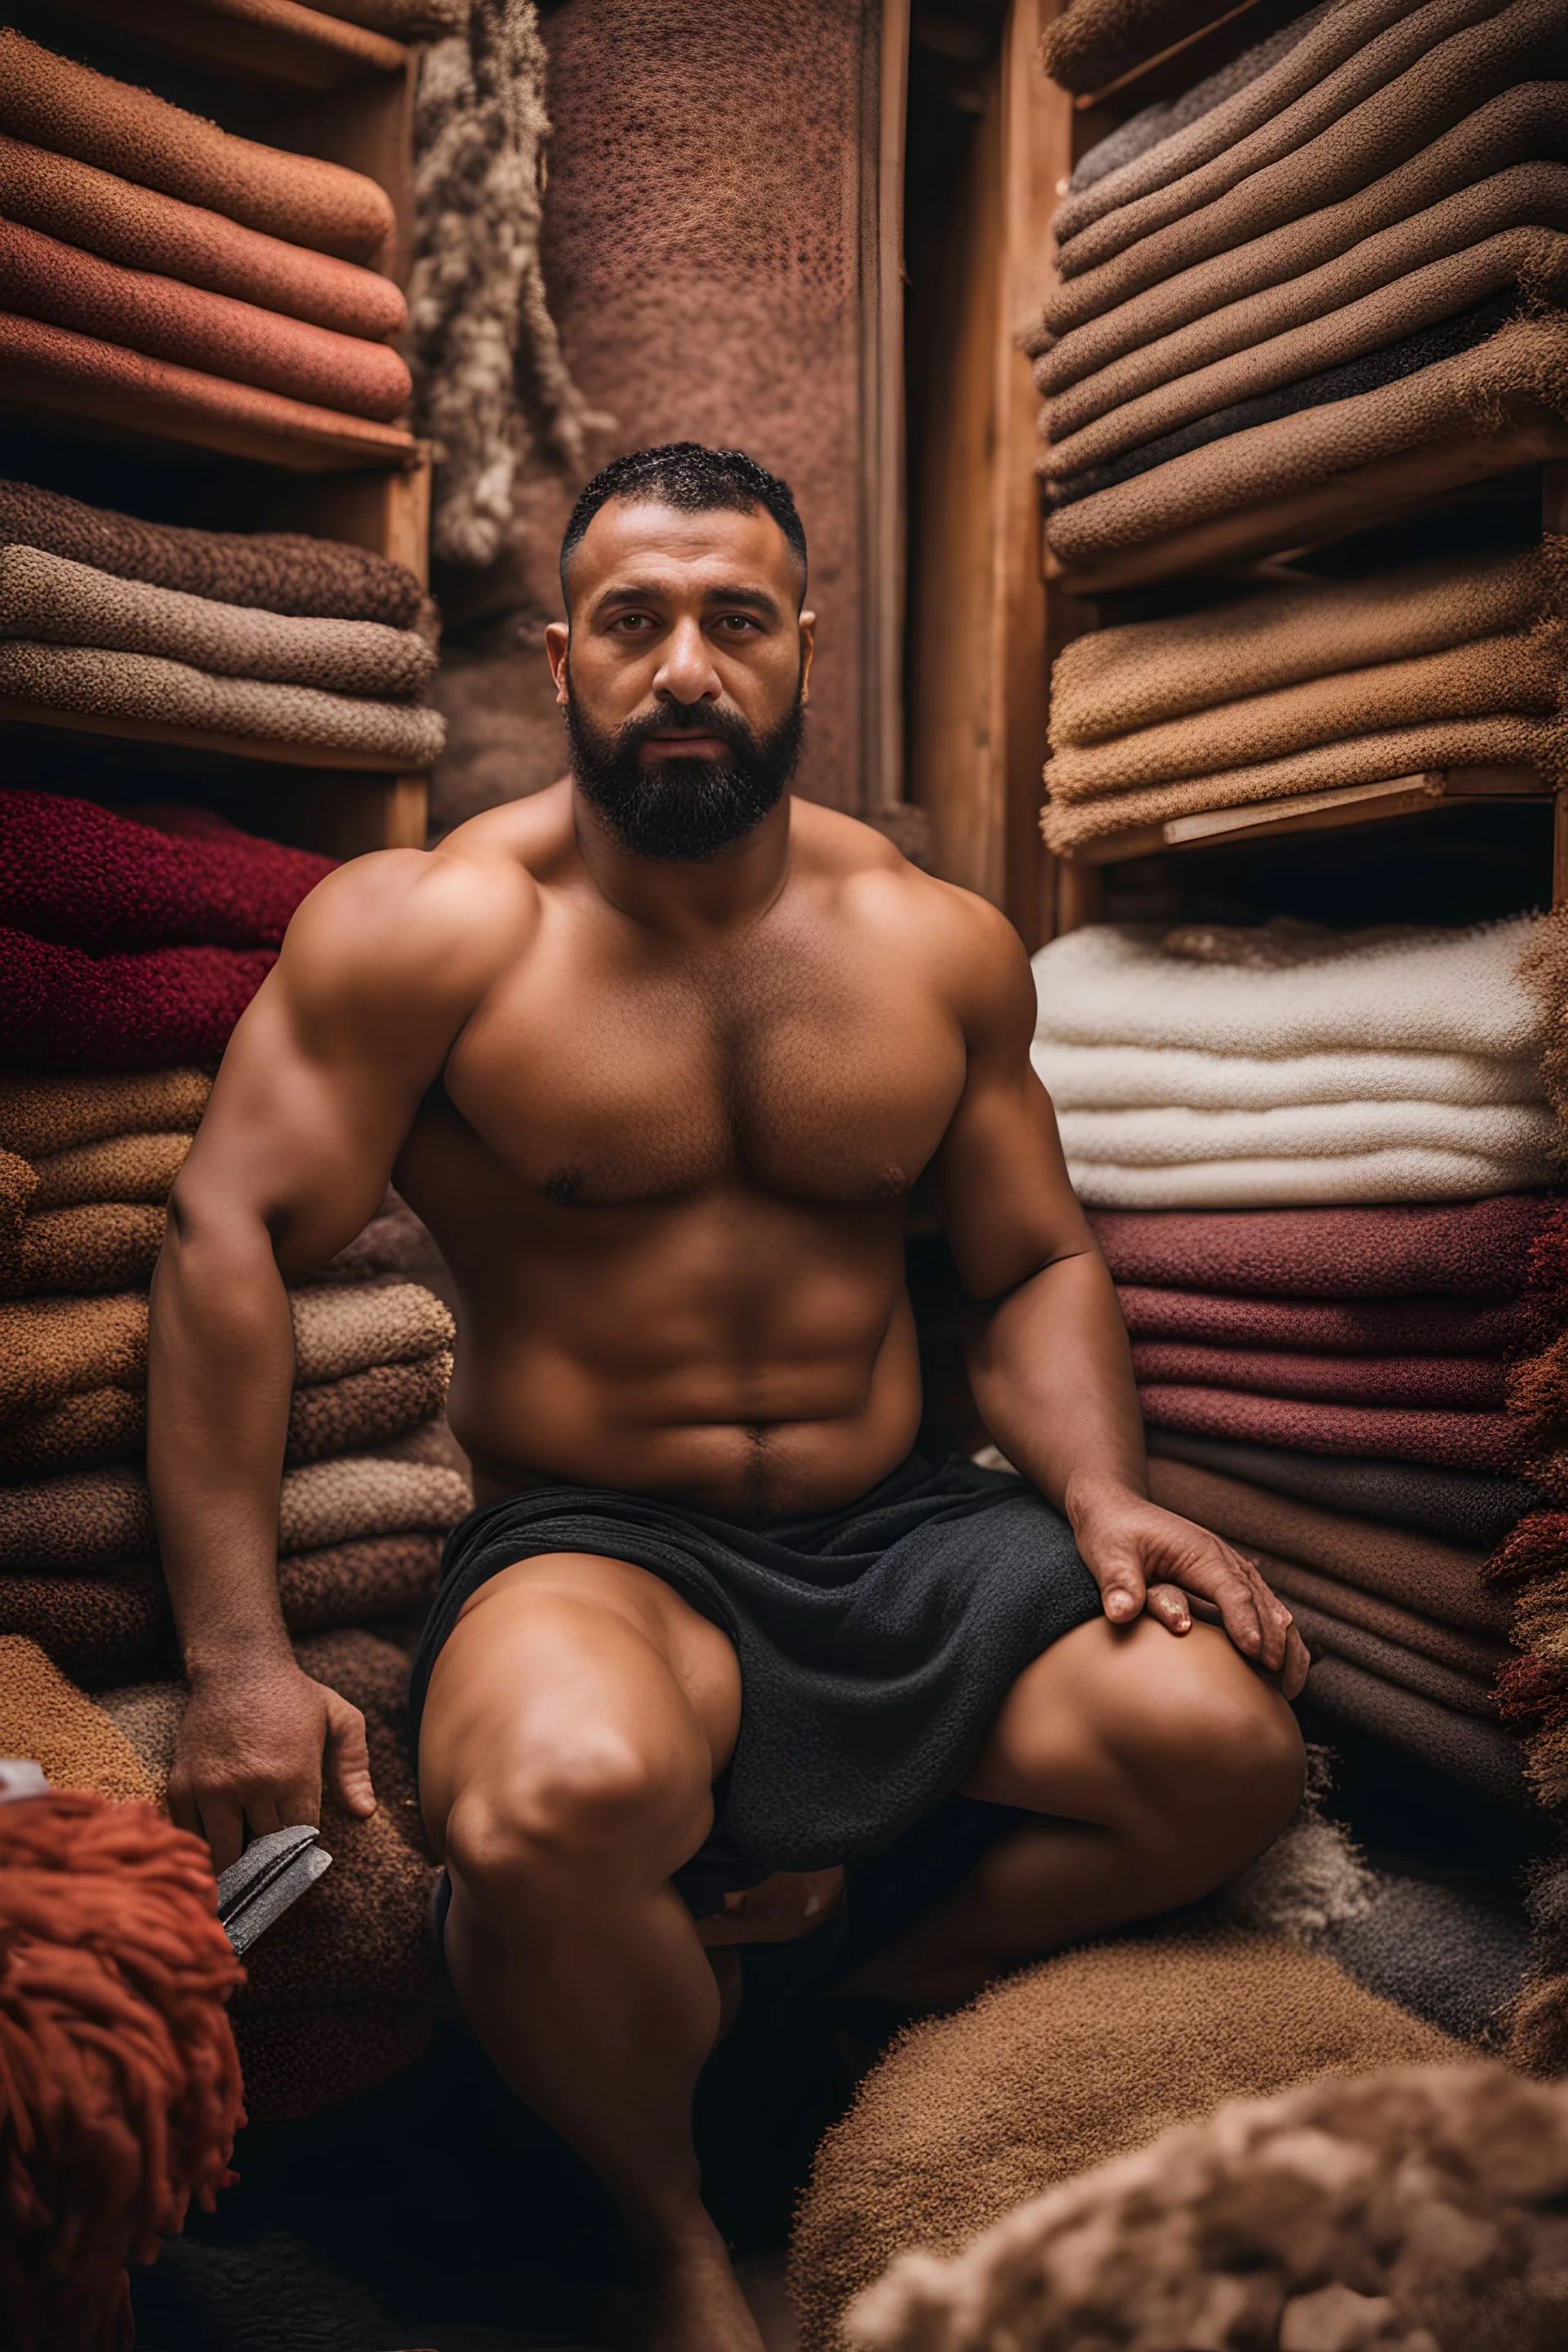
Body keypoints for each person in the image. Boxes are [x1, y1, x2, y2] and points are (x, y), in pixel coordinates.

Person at [149, 442, 1308, 2352]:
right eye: (635, 621)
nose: (686, 664)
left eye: (735, 620)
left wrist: (1101, 1494)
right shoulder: (427, 932)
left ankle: (842, 1990)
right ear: (562, 660)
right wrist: (236, 1657)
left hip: (918, 1539)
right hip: (604, 1548)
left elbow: (1029, 1262)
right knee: (553, 1807)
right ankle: (676, 2231)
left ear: (797, 650)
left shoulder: (934, 944)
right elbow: (226, 1241)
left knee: (1222, 1750)